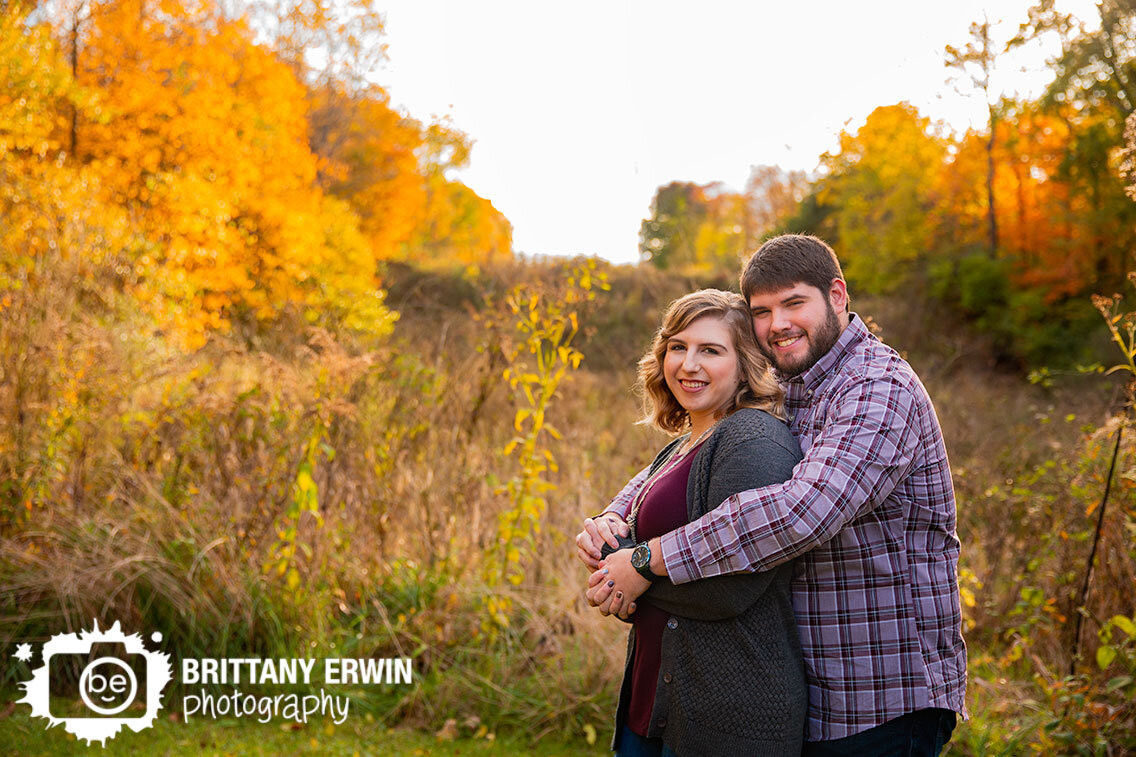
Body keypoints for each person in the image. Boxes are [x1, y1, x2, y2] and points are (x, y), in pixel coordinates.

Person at [578, 235, 966, 756]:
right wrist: (617, 514)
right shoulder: (794, 382)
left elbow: (799, 514)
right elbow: (693, 447)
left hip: (880, 693)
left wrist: (646, 562)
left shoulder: (877, 387)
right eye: (762, 311)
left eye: (793, 303)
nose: (777, 323)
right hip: (812, 687)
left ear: (838, 295)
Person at [592, 288, 807, 756]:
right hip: (652, 703)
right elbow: (638, 546)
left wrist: (627, 577)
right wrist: (609, 539)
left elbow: (732, 586)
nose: (688, 364)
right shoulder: (685, 442)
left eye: (710, 350)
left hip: (726, 718)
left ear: (746, 363)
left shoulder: (754, 439)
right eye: (678, 347)